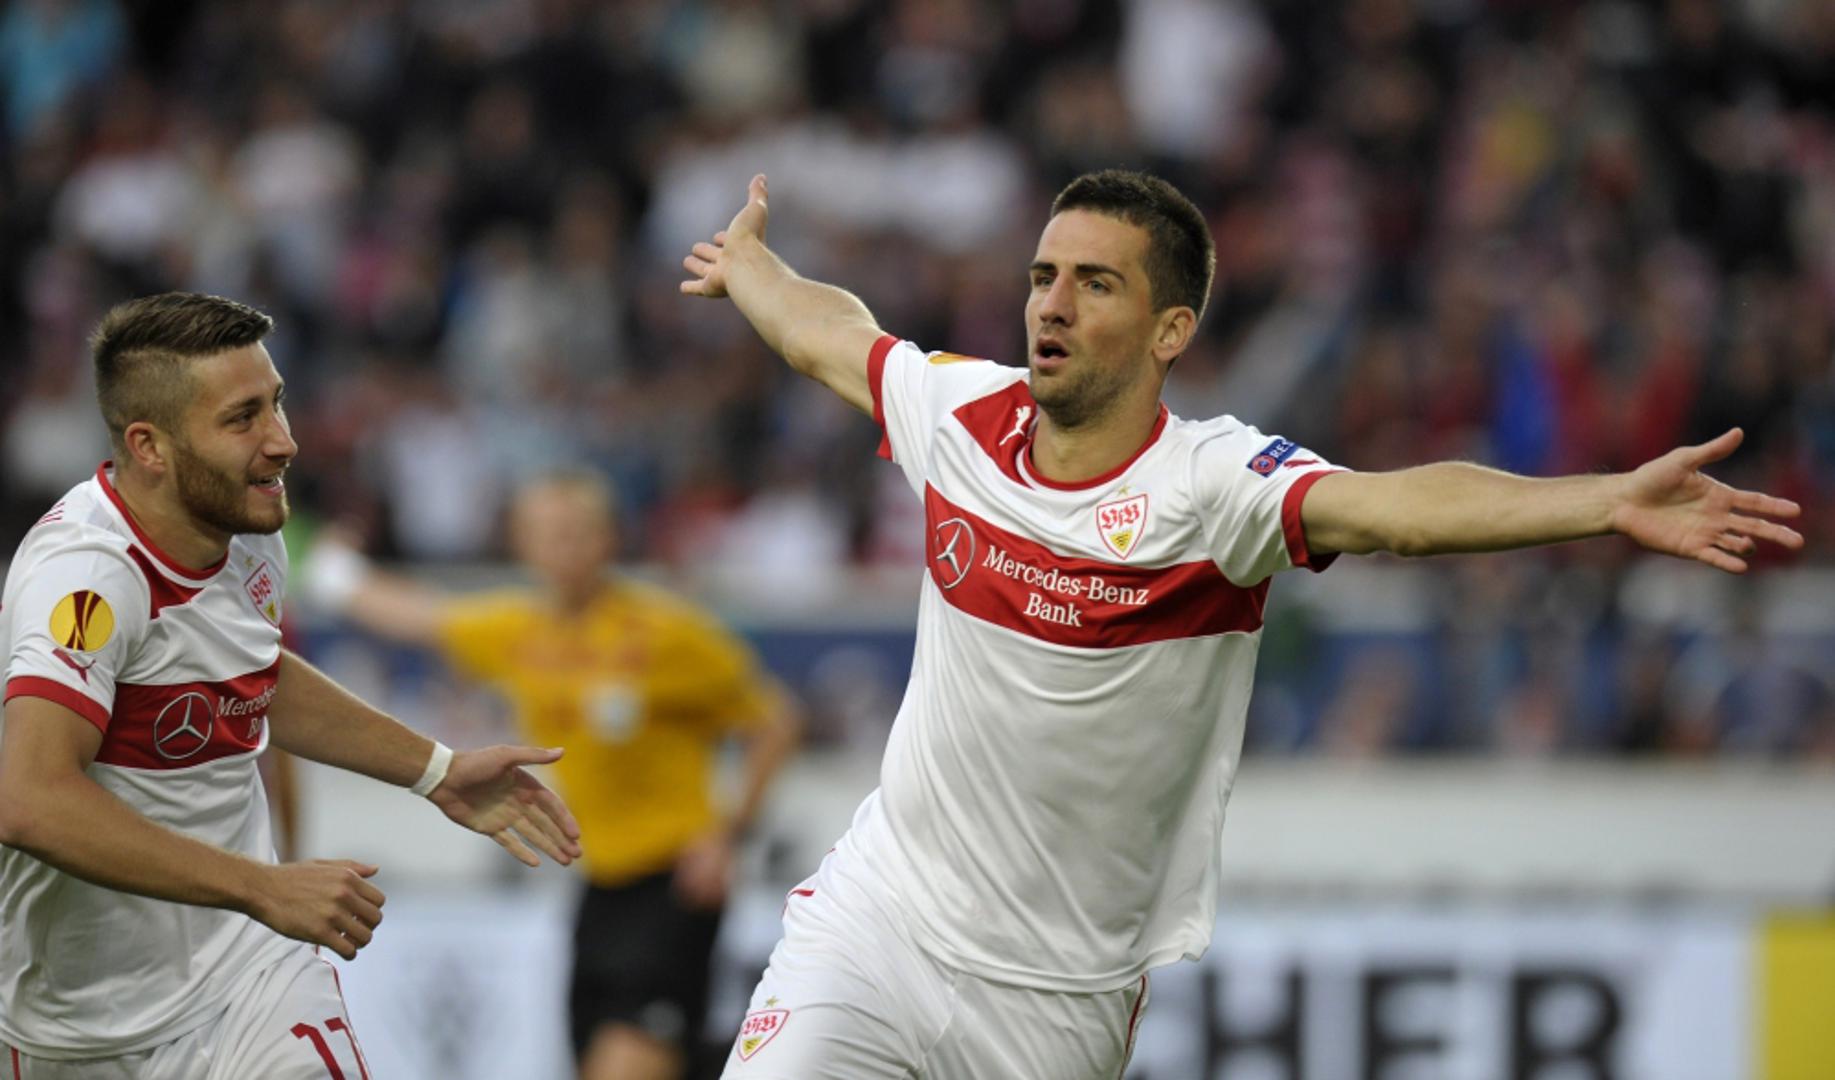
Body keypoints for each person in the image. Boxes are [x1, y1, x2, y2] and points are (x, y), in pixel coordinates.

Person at [678, 171, 1805, 1078]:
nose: (1050, 305)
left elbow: (1395, 510)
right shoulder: (962, 416)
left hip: (1056, 999)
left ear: (1169, 328)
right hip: (876, 922)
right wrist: (754, 268)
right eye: (1041, 276)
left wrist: (1602, 501)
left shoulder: (1211, 485)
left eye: (1093, 284)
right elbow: (833, 336)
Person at [0, 292, 584, 1080]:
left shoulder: (248, 531)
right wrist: (261, 886)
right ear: (149, 446)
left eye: (275, 403)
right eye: (242, 419)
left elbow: (256, 671)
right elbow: (30, 799)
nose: (283, 441)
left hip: (248, 981)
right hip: (70, 1028)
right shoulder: (87, 578)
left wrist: (434, 770)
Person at [304, 470, 802, 1080]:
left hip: (672, 883)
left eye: (575, 532)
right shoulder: (520, 630)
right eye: (544, 533)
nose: (561, 548)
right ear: (522, 543)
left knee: (626, 1062)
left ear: (608, 540)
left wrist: (726, 836)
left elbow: (775, 722)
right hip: (597, 885)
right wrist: (330, 568)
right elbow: (419, 617)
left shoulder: (667, 633)